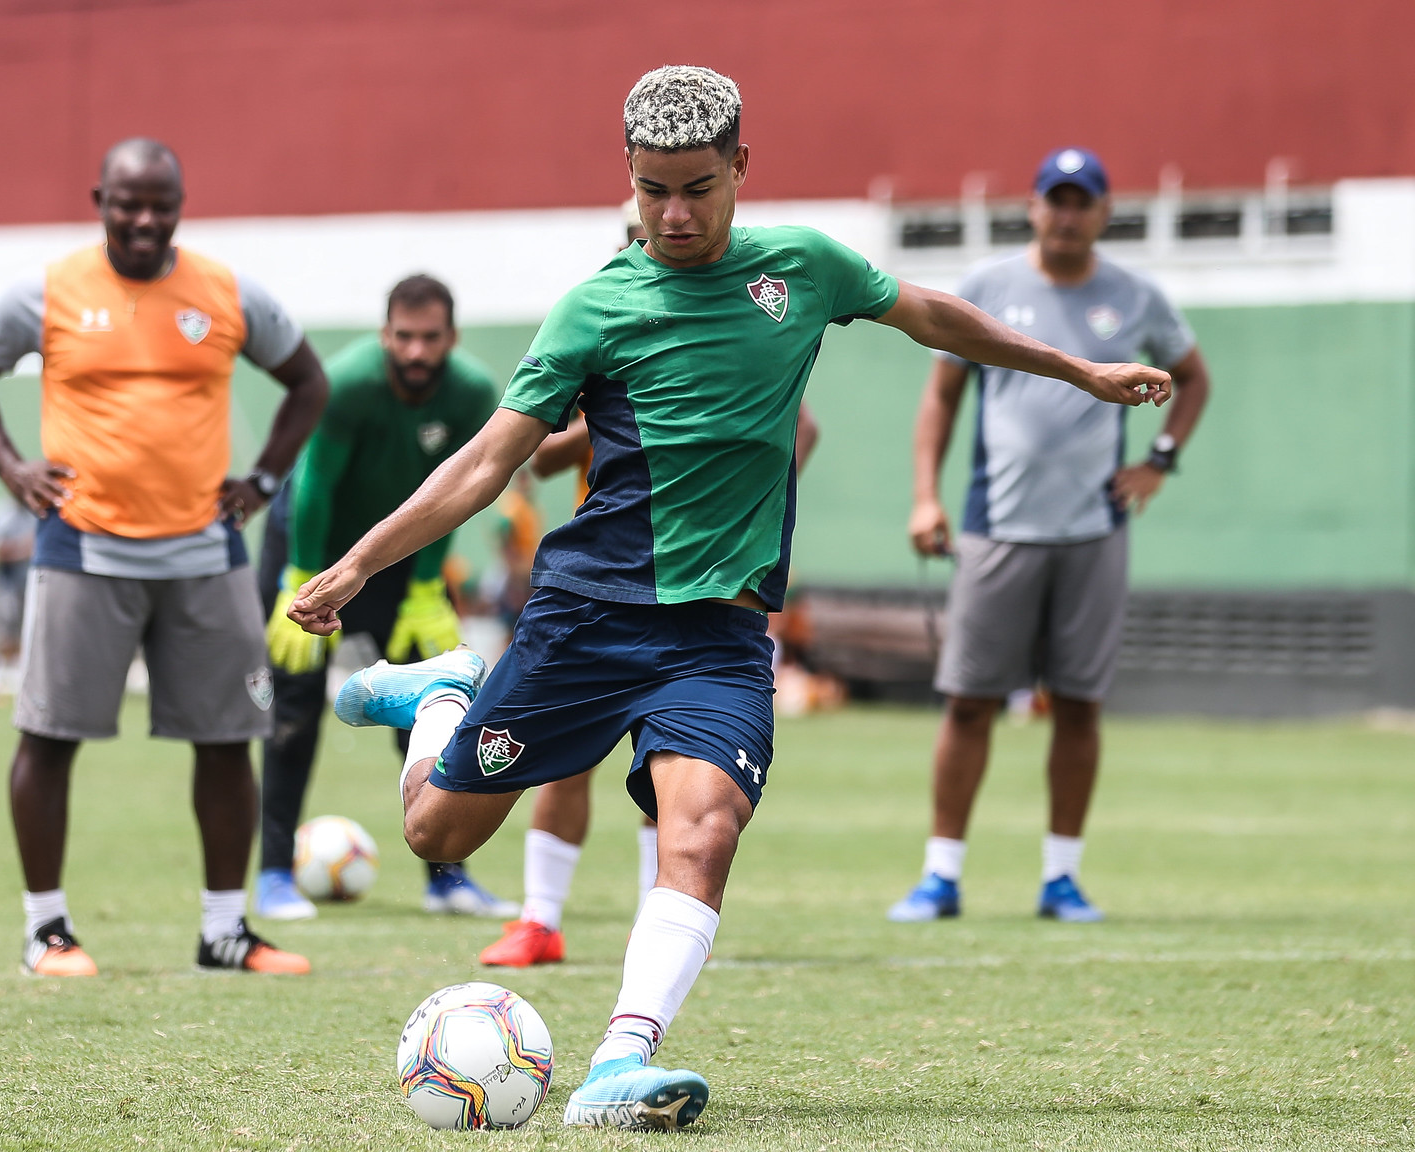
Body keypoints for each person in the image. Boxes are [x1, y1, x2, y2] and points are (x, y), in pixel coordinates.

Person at [291, 66, 1170, 1130]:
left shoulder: (801, 268)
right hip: (587, 616)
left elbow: (934, 316)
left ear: (740, 168)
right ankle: (443, 696)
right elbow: (485, 465)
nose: (672, 213)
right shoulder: (594, 308)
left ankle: (622, 1058)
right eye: (651, 188)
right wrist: (356, 564)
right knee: (436, 836)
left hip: (718, 635)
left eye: (696, 188)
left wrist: (1076, 370)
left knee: (700, 830)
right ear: (627, 177)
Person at [0, 138, 330, 977]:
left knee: (231, 738)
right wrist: (12, 467)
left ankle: (225, 932)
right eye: (128, 202)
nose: (145, 219)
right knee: (48, 738)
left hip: (206, 551)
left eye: (161, 203)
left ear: (181, 204)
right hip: (82, 549)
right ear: (100, 200)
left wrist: (262, 479)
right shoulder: (47, 292)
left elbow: (308, 381)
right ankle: (47, 931)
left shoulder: (227, 293)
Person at [480, 198, 824, 969]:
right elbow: (536, 453)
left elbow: (803, 428)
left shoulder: (739, 325)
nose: (664, 232)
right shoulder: (604, 317)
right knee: (563, 757)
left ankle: (652, 915)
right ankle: (540, 918)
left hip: (700, 587)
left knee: (669, 769)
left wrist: (739, 489)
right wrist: (604, 435)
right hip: (598, 578)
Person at [887, 147, 1213, 924]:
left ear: (1104, 212)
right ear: (1032, 206)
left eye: (1083, 201)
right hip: (996, 529)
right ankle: (941, 875)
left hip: (1093, 532)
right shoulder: (990, 288)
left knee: (1078, 705)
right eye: (1054, 199)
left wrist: (1160, 460)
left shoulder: (1134, 297)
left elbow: (1193, 376)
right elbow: (940, 400)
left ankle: (1061, 877)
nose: (1067, 214)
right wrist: (925, 498)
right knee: (969, 702)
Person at [256, 275, 516, 922]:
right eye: (404, 337)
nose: (417, 352)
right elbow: (314, 486)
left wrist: (427, 583)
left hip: (399, 561)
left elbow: (452, 493)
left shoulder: (473, 393)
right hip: (311, 551)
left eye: (431, 339)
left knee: (432, 703)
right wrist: (301, 580)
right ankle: (271, 874)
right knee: (292, 713)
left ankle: (447, 876)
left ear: (451, 339)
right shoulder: (347, 384)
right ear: (384, 336)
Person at [0, 493, 38, 696]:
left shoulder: (34, 512)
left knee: (27, 635)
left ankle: (20, 681)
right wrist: (24, 548)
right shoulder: (1, 513)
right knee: (6, 635)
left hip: (31, 584)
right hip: (7, 585)